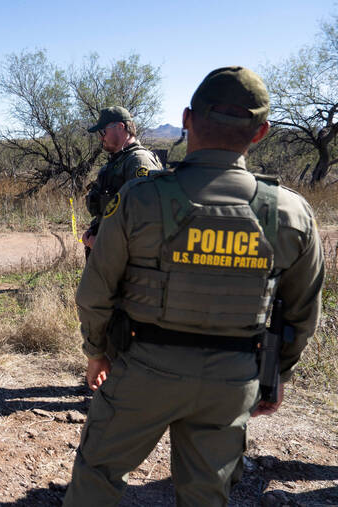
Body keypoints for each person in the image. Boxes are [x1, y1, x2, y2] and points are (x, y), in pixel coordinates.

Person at [64, 67, 324, 506]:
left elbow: (95, 293)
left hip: (144, 368)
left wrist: (96, 352)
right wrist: (275, 376)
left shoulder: (140, 198)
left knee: (98, 478)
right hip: (232, 379)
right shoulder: (292, 213)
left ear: (187, 119)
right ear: (261, 132)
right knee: (207, 494)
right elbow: (302, 314)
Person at [83, 106, 163, 254]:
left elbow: (146, 223)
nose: (101, 137)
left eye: (103, 132)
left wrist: (103, 244)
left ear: (120, 127)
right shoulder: (118, 162)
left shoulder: (139, 161)